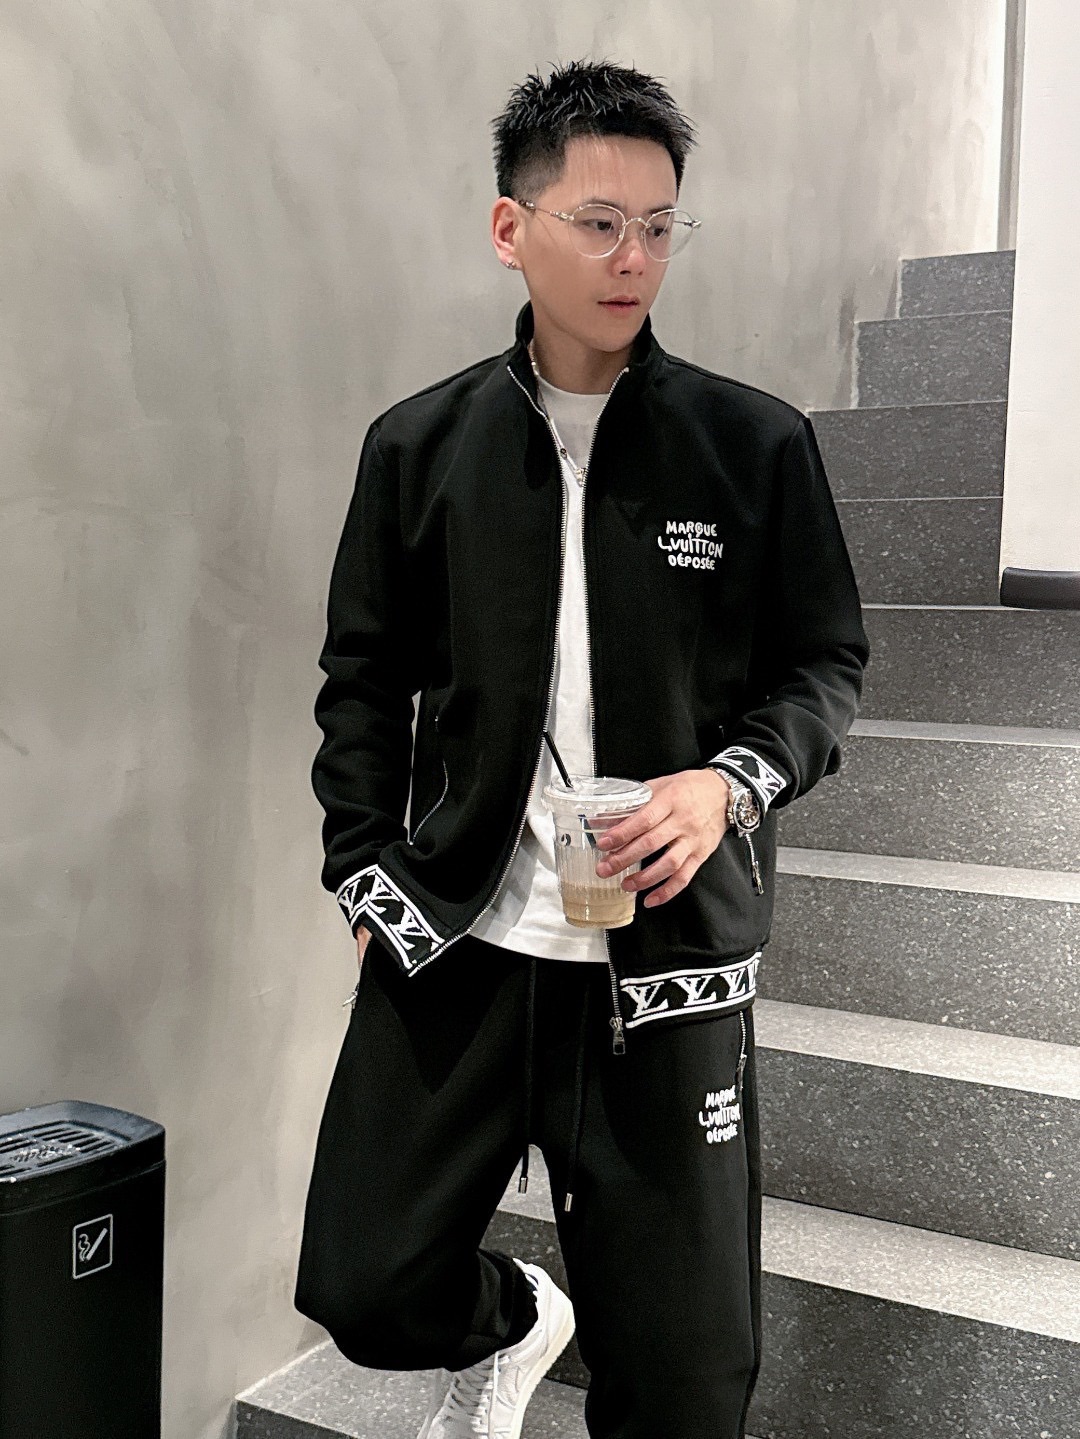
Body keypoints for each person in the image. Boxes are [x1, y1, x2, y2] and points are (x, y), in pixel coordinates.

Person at [294, 57, 869, 1439]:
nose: (634, 258)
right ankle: (513, 1321)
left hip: (664, 962)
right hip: (465, 945)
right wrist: (365, 873)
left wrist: (728, 786)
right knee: (365, 1284)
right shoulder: (418, 447)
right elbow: (362, 680)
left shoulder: (753, 446)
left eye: (659, 226)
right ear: (513, 228)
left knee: (686, 1383)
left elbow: (823, 667)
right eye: (600, 222)